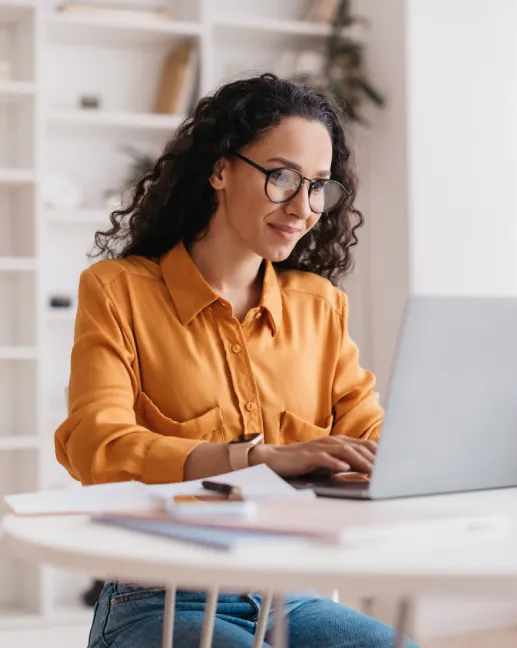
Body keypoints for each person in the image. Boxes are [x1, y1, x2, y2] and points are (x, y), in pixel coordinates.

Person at [55, 73, 420, 648]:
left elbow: (369, 437)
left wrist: (424, 453)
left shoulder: (319, 307)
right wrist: (258, 458)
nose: (303, 207)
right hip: (157, 596)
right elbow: (95, 445)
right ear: (220, 169)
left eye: (319, 186)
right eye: (282, 177)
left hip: (292, 593)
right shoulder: (118, 290)